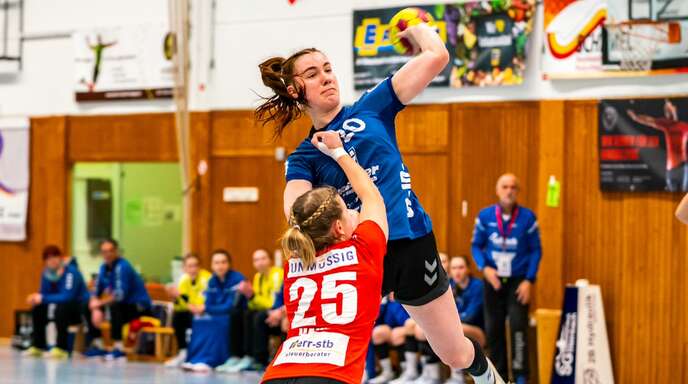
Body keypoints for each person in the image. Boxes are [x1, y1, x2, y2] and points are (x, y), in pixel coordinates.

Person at [258, 22, 502, 384]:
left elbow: (437, 55)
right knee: (343, 345)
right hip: (358, 255)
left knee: (452, 351)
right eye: (313, 74)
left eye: (328, 69)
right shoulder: (305, 156)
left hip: (410, 243)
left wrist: (412, 26)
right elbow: (295, 210)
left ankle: (489, 378)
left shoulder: (370, 109)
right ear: (295, 90)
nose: (327, 78)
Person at [261, 130, 388, 384]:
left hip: (277, 374)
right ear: (339, 228)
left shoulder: (294, 263)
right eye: (347, 210)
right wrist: (338, 151)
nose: (354, 212)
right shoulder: (364, 250)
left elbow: (300, 215)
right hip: (331, 377)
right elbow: (371, 195)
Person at [471, 174, 542, 384]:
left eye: (513, 187)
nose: (509, 190)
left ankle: (521, 378)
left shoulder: (528, 218)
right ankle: (498, 376)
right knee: (493, 328)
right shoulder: (485, 216)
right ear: (497, 190)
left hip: (518, 282)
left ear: (517, 191)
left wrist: (529, 280)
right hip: (492, 280)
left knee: (518, 327)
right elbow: (476, 246)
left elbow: (536, 250)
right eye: (505, 186)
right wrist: (484, 269)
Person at [85, 239, 152, 360]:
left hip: (139, 307)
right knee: (87, 305)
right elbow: (96, 290)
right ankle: (98, 344)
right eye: (104, 252)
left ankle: (119, 348)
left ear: (116, 251)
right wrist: (94, 303)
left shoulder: (123, 266)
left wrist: (98, 303)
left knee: (114, 305)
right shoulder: (103, 268)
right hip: (124, 307)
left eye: (110, 251)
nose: (107, 254)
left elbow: (120, 295)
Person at [219, 249, 284, 373]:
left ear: (270, 260)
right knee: (242, 313)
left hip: (278, 314)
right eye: (256, 260)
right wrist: (248, 295)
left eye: (263, 258)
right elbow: (255, 303)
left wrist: (252, 296)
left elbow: (272, 304)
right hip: (264, 311)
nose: (260, 263)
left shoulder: (277, 274)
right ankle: (239, 356)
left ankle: (259, 359)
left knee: (258, 316)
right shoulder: (258, 277)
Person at [182, 249, 246, 372]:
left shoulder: (238, 279)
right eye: (216, 263)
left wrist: (207, 308)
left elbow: (230, 306)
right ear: (212, 265)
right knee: (199, 321)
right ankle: (195, 359)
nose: (220, 266)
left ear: (229, 264)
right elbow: (208, 302)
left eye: (223, 262)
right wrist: (203, 308)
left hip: (232, 316)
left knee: (216, 323)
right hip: (216, 314)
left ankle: (211, 360)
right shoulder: (212, 281)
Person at [23, 245, 89, 359]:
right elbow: (43, 293)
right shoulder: (46, 273)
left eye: (55, 256)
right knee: (38, 308)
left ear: (60, 258)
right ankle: (38, 346)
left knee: (61, 308)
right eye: (48, 258)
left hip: (78, 308)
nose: (52, 260)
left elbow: (68, 296)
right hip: (59, 305)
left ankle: (61, 348)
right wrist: (36, 298)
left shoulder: (70, 272)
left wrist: (43, 298)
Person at [627, 100, 688, 192]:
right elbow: (649, 121)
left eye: (670, 108)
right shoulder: (667, 124)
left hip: (684, 167)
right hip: (671, 168)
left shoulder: (684, 126)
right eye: (667, 109)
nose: (668, 111)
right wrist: (636, 117)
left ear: (675, 109)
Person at [164, 253, 212, 368]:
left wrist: (183, 298)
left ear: (200, 267)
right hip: (190, 311)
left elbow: (200, 304)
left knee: (192, 317)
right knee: (178, 316)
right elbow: (180, 306)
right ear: (184, 268)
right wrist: (175, 298)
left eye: (195, 266)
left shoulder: (207, 278)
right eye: (189, 266)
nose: (193, 269)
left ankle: (195, 354)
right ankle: (183, 352)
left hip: (205, 312)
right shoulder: (184, 280)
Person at [368, 294, 413, 384]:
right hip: (393, 329)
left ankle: (409, 371)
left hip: (410, 326)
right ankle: (387, 372)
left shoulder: (403, 295)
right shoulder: (387, 299)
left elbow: (404, 320)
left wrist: (395, 302)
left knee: (397, 333)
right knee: (378, 332)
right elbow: (381, 319)